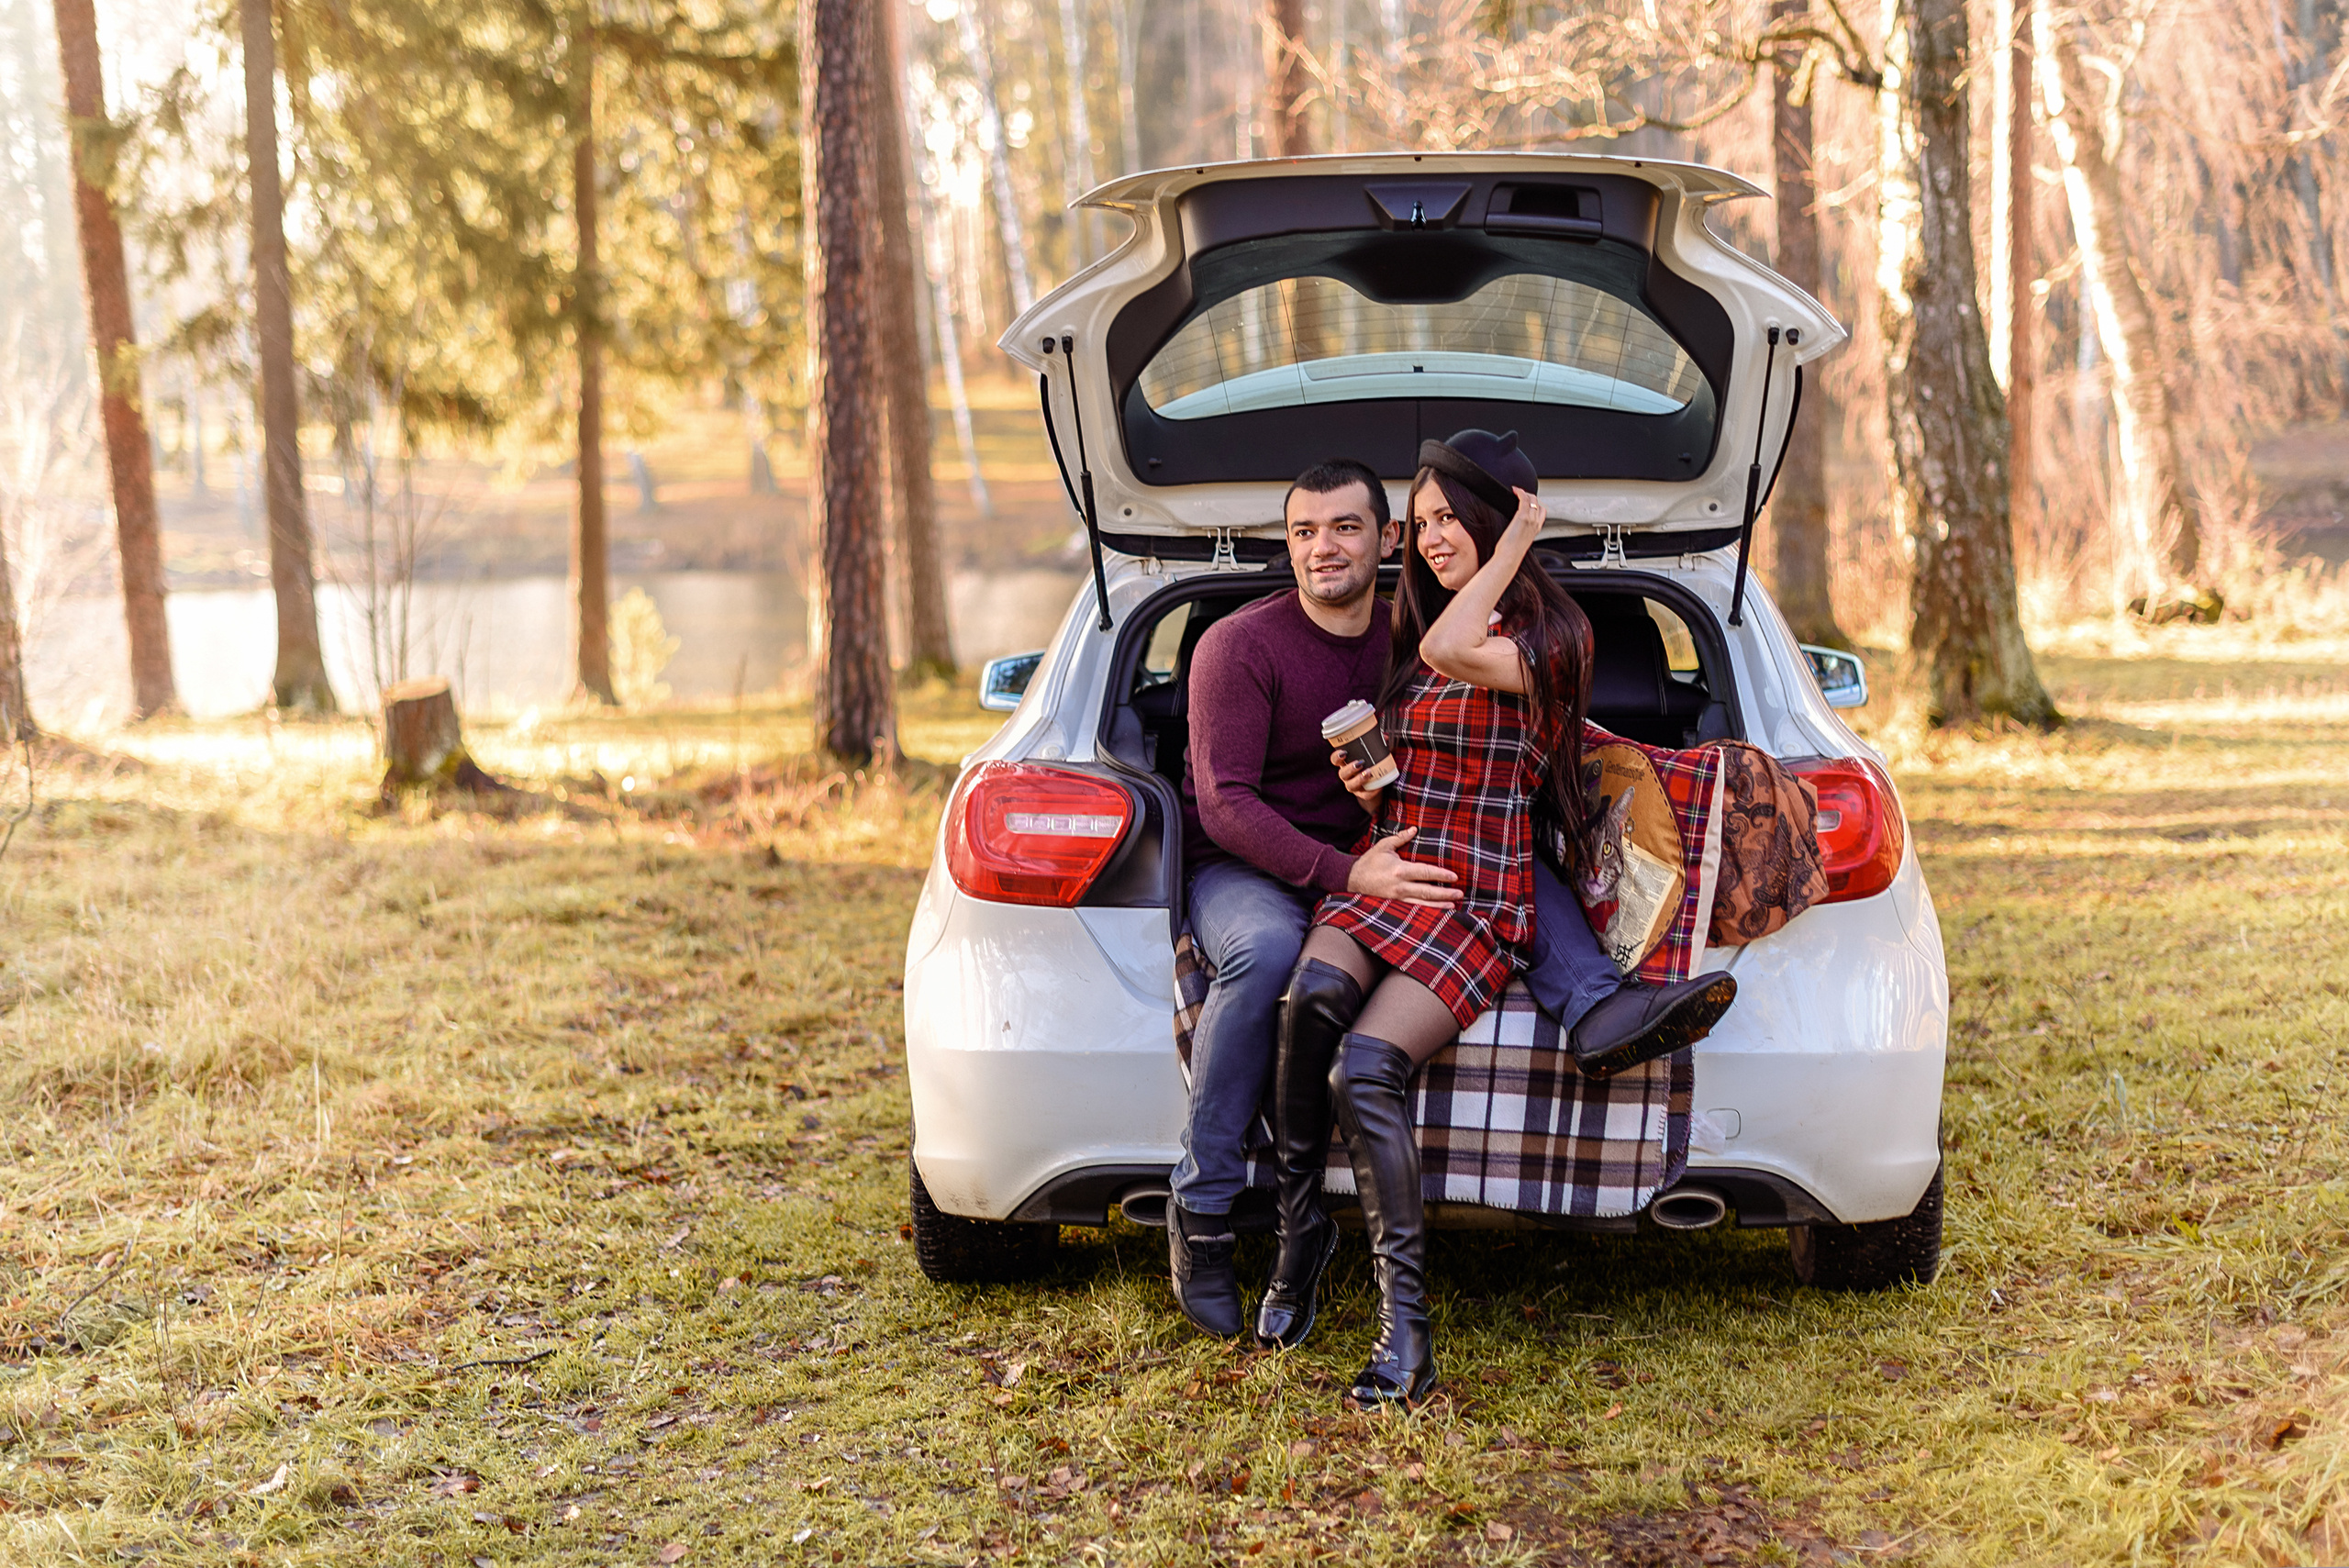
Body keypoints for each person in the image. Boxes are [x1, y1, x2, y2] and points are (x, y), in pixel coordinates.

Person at [1264, 430, 1739, 1405]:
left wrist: (1521, 539)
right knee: (1306, 1005)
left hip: (1477, 892)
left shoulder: (1554, 638)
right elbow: (1424, 733)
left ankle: (1404, 1328)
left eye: (1449, 517)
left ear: (1498, 517)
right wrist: (1369, 788)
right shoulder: (1423, 622)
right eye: (1422, 520)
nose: (1430, 538)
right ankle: (1298, 1229)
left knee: (1365, 1067)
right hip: (1392, 867)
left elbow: (1453, 651)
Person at [1167, 458, 1464, 1340]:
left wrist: (1382, 822)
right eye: (1304, 531)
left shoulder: (1418, 641)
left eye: (1344, 527)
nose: (1322, 547)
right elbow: (1225, 805)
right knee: (1265, 951)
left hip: (1372, 856)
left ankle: (1313, 1220)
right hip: (1243, 868)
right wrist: (1345, 872)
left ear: (1389, 538)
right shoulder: (1238, 647)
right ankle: (1203, 1211)